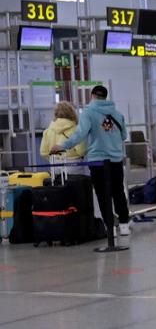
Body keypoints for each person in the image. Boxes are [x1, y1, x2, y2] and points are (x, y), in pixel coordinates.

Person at [51, 85, 130, 238]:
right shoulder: (118, 114)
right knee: (118, 192)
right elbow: (123, 136)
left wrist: (63, 146)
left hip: (98, 161)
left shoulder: (88, 112)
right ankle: (124, 225)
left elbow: (80, 133)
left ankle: (110, 226)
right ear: (105, 97)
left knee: (102, 194)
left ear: (92, 95)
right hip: (115, 160)